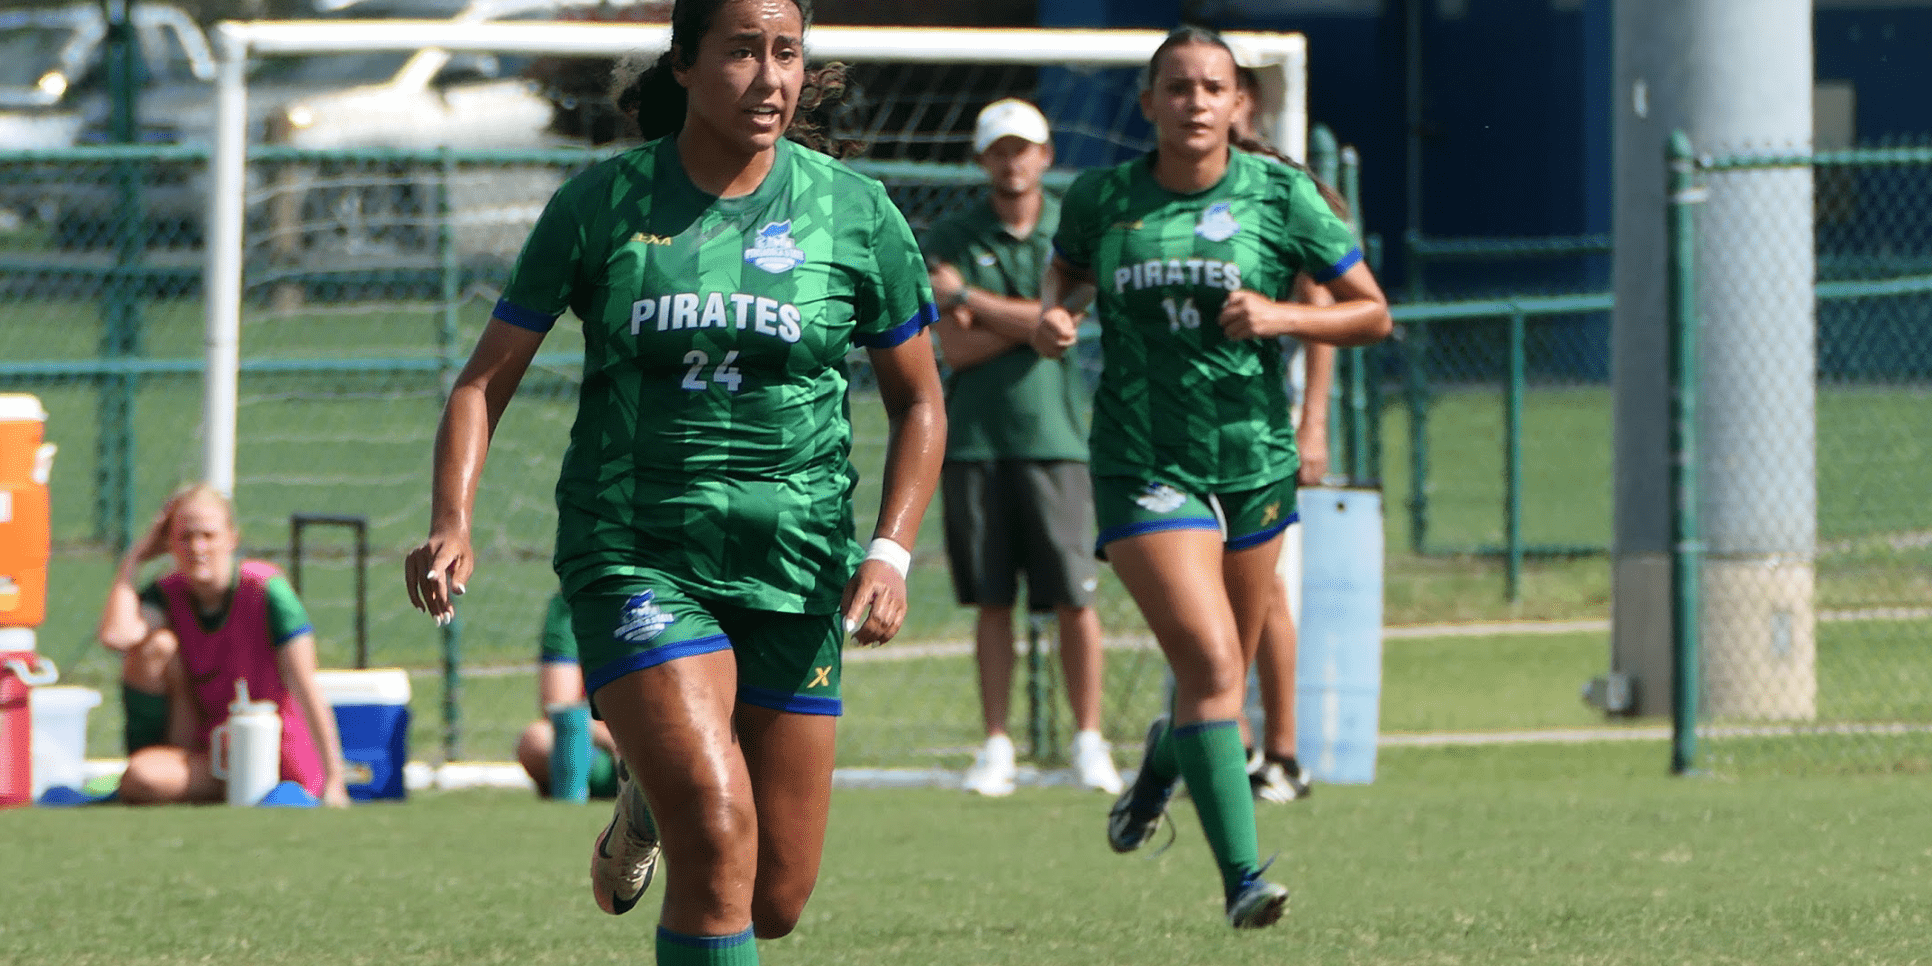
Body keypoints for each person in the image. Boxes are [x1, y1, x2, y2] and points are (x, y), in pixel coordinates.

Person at [403, 0, 946, 961]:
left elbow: (921, 404)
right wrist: (453, 519)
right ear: (685, 66)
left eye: (786, 52)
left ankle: (642, 800)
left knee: (773, 896)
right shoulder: (601, 206)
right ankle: (673, 789)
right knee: (718, 828)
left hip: (799, 563)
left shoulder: (856, 214)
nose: (769, 76)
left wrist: (891, 552)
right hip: (638, 555)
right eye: (741, 51)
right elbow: (484, 381)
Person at [1032, 26, 1390, 928]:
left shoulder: (1281, 197)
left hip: (1253, 458)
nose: (1195, 102)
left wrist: (1276, 315)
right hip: (1143, 460)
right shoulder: (1105, 198)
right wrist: (1057, 316)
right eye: (1177, 87)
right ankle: (1243, 881)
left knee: (1215, 674)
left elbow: (1372, 314)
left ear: (1240, 106)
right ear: (1149, 104)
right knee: (1216, 661)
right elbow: (1066, 277)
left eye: (1212, 88)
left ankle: (1162, 761)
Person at [925, 98, 1121, 798]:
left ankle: (1089, 741)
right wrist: (1029, 324)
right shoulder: (952, 231)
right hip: (974, 441)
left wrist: (974, 299)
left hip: (1057, 438)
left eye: (1025, 148)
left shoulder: (1072, 233)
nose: (1013, 161)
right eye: (1000, 149)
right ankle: (996, 743)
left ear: (1044, 156)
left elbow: (1060, 327)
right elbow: (953, 345)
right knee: (991, 601)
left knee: (1073, 597)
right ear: (983, 160)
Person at [1228, 64, 1345, 804]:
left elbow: (1327, 310)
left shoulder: (1280, 185)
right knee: (1207, 581)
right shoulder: (1170, 193)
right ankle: (1226, 737)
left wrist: (1313, 423)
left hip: (1267, 418)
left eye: (1226, 89)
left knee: (1264, 580)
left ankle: (1278, 750)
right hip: (1195, 418)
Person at [95, 483, 351, 807]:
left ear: (232, 538)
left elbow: (306, 686)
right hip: (212, 756)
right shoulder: (167, 593)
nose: (196, 547)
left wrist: (335, 780)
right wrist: (135, 558)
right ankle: (205, 787)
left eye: (208, 535)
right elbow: (117, 636)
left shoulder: (266, 590)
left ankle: (257, 788)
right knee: (155, 652)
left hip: (274, 753)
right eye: (184, 537)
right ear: (168, 543)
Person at [514, 592, 620, 798]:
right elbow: (561, 707)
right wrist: (616, 743)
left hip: (660, 735)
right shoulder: (570, 603)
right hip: (603, 747)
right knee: (536, 741)